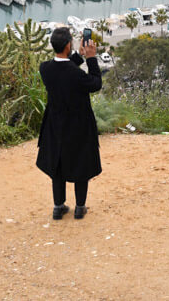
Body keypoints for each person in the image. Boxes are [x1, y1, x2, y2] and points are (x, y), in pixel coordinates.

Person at [36, 27, 102, 220]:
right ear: (67, 45)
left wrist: (79, 56)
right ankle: (80, 207)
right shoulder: (77, 75)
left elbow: (64, 68)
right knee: (81, 163)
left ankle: (58, 207)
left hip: (55, 124)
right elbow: (96, 83)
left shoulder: (45, 69)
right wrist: (90, 58)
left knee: (58, 164)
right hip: (79, 125)